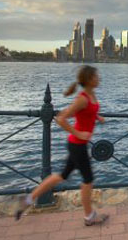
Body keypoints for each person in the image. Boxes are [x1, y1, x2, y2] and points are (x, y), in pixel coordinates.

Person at [15, 65, 108, 226]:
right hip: (77, 144)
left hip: (77, 145)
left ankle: (28, 199)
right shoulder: (82, 98)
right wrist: (79, 133)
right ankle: (89, 216)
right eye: (96, 76)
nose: (99, 78)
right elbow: (61, 119)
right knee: (88, 180)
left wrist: (96, 116)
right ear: (89, 79)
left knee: (62, 176)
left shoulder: (90, 96)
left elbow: (84, 112)